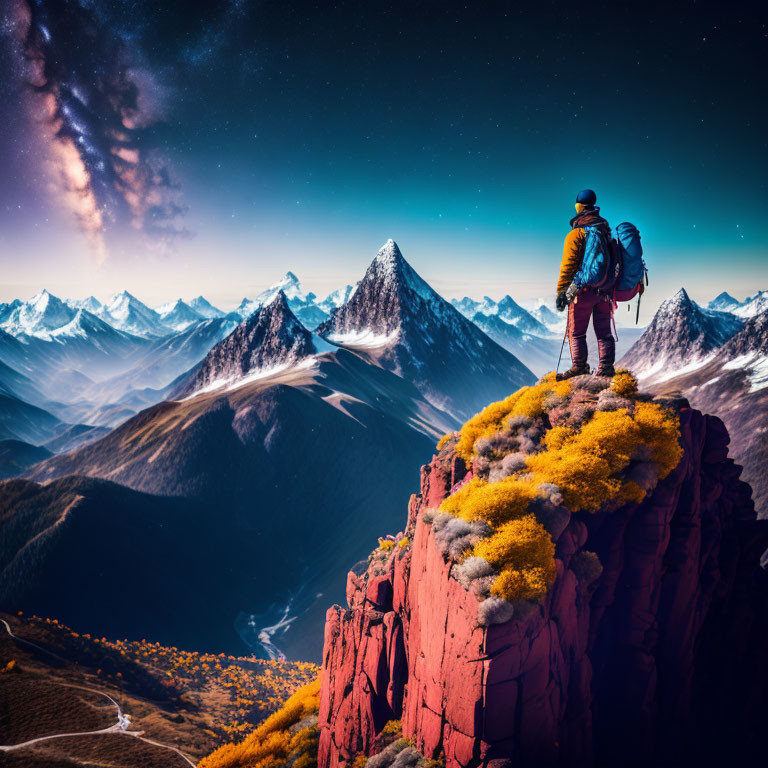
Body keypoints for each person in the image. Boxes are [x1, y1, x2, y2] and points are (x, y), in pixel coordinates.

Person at [555, 189, 615, 379]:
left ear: (578, 207)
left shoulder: (576, 234)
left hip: (583, 292)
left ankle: (579, 367)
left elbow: (568, 266)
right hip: (605, 291)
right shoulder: (605, 231)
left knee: (576, 332)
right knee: (604, 332)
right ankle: (606, 370)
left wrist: (562, 293)